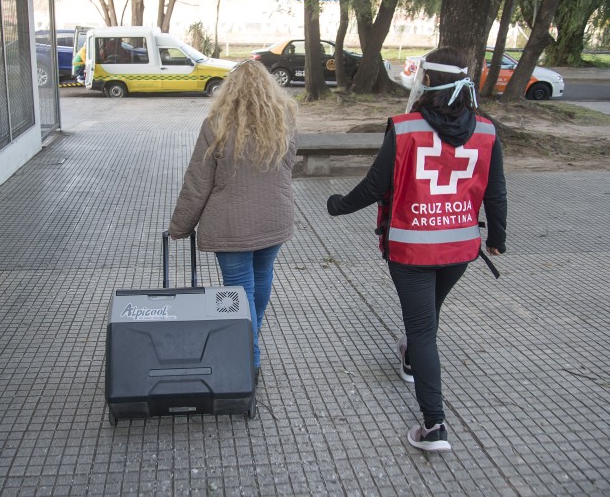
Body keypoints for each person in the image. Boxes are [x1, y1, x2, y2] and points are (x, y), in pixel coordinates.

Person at [326, 46, 507, 452]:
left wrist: (337, 206)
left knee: (423, 328)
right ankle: (410, 357)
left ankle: (434, 426)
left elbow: (376, 186)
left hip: (410, 250)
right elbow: (496, 192)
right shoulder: (487, 130)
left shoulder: (405, 128)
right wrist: (497, 239)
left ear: (427, 80)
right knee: (427, 315)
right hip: (459, 249)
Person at [169, 59, 298, 384]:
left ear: (230, 90)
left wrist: (180, 226)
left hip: (231, 226)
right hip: (274, 220)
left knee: (238, 291)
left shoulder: (216, 123)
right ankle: (250, 333)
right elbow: (288, 165)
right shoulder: (283, 119)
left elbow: (198, 181)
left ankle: (248, 358)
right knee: (261, 278)